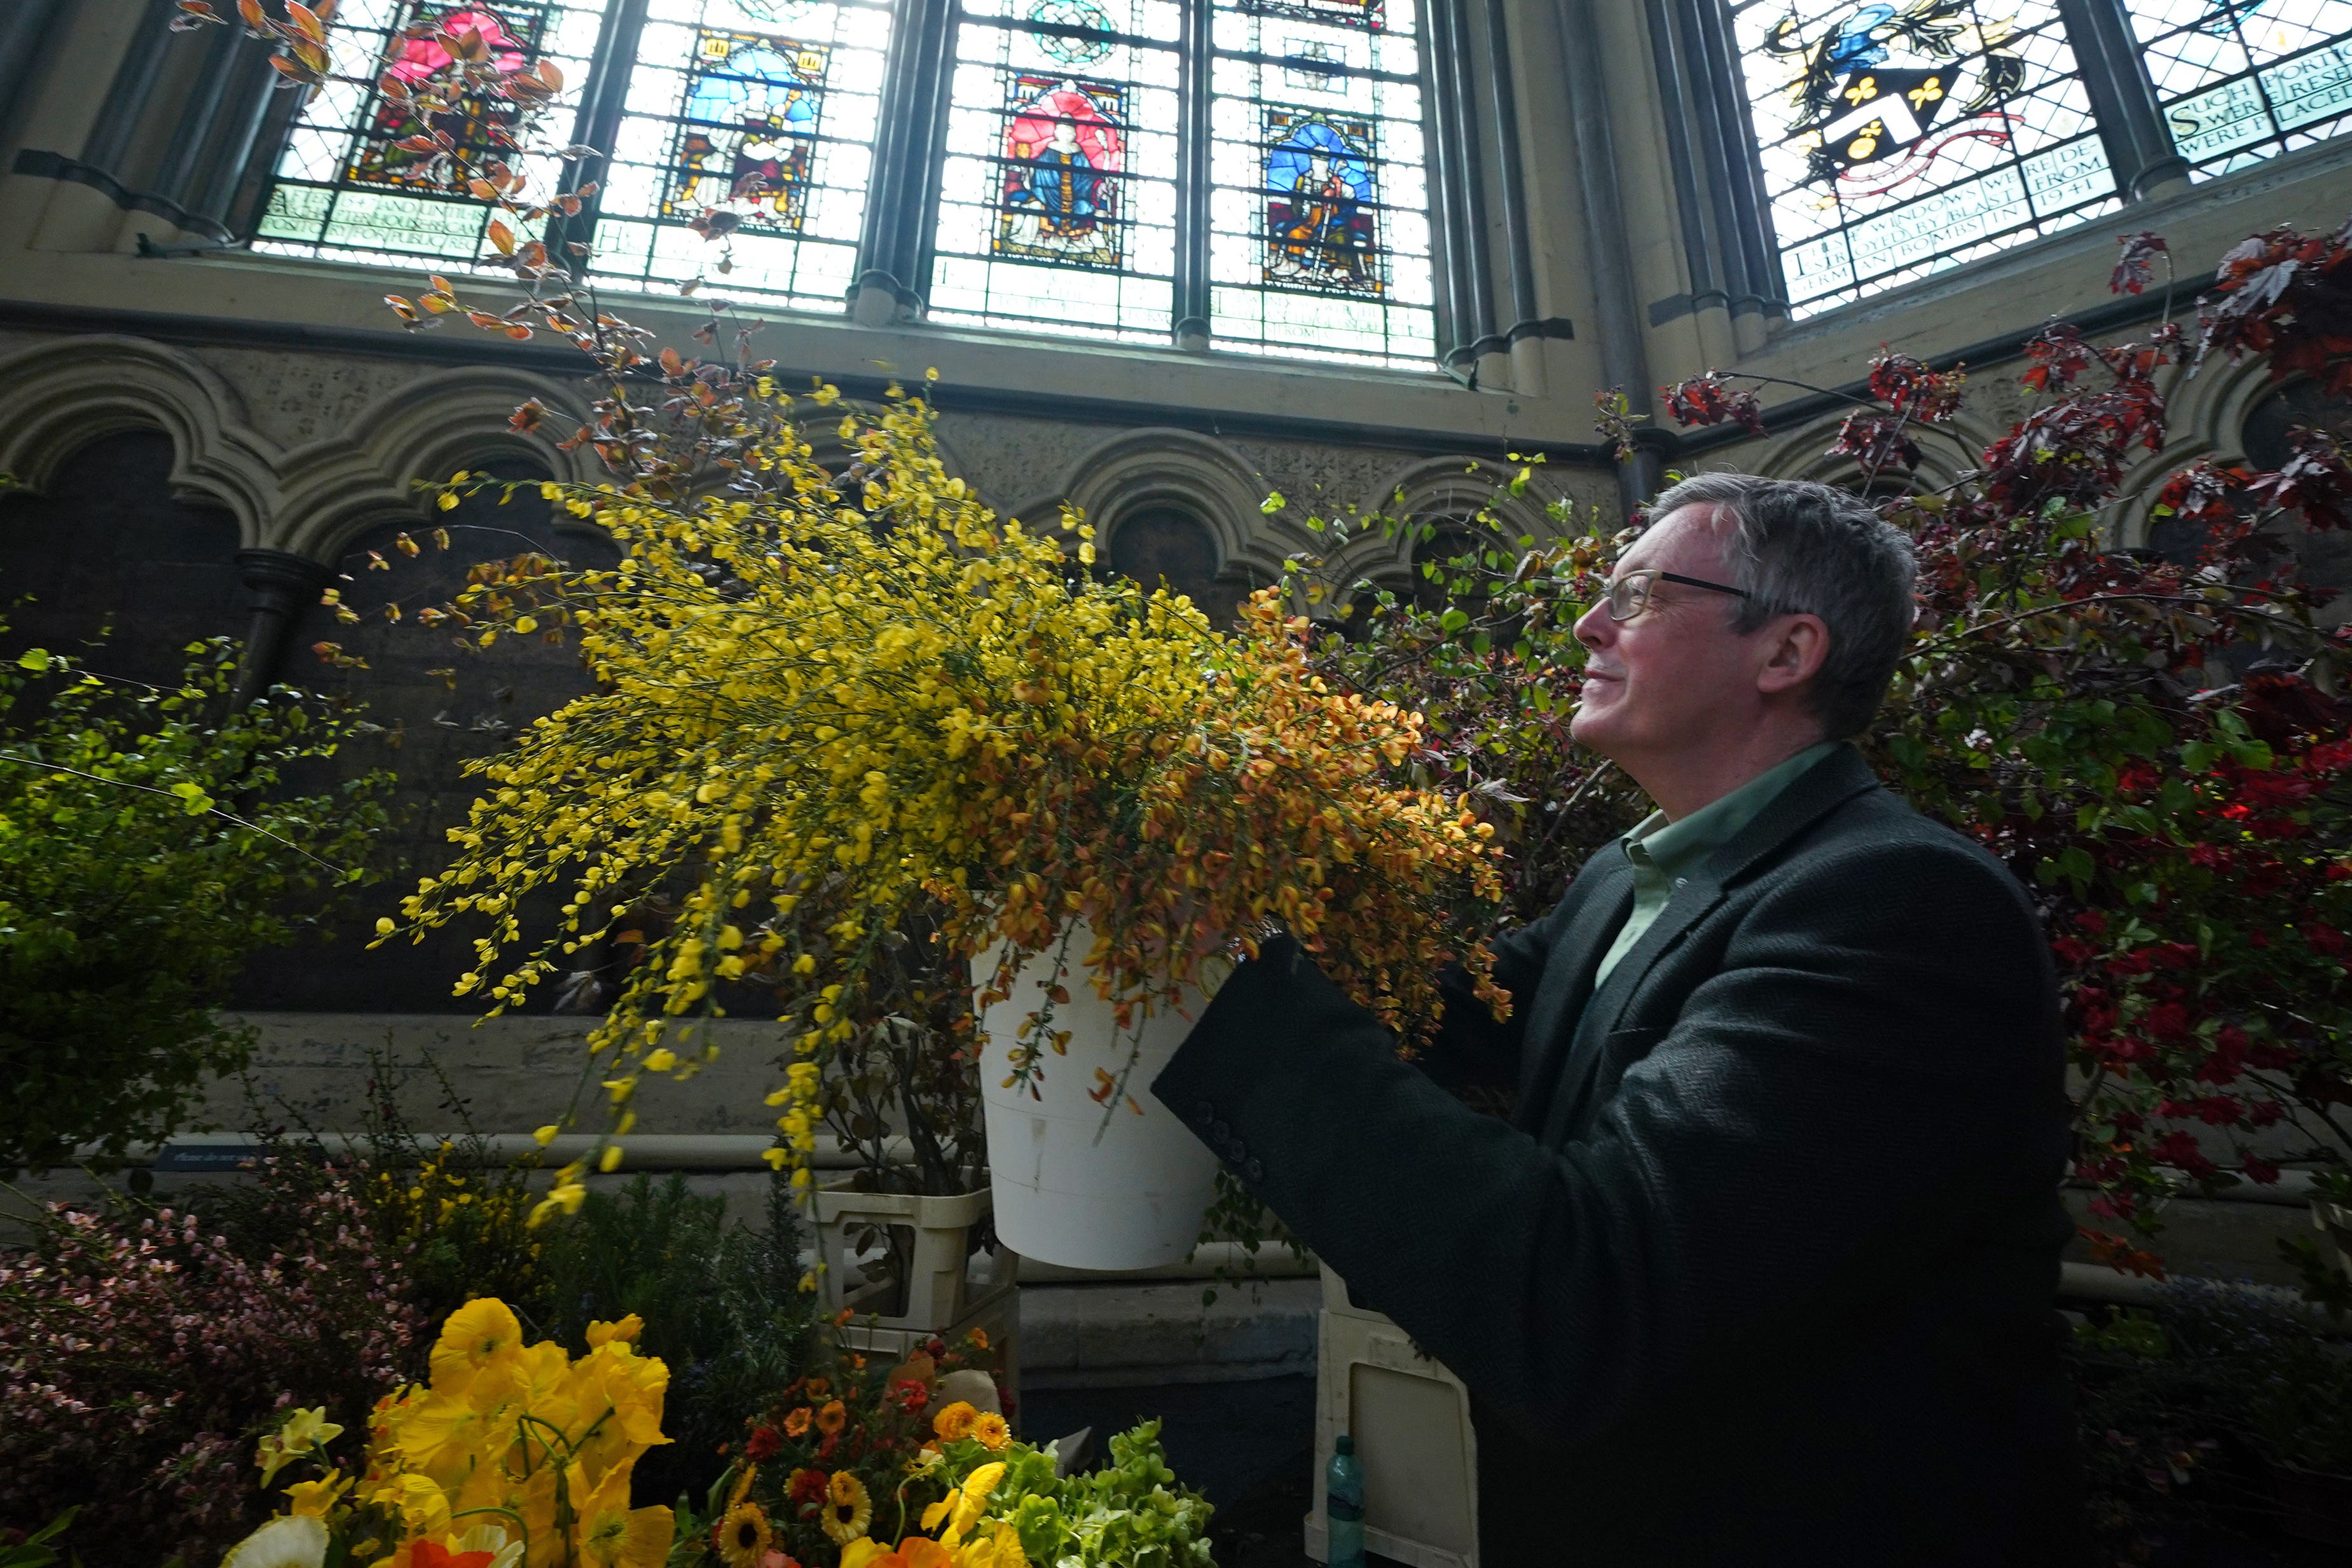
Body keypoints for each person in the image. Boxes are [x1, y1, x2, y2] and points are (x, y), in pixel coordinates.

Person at [1153, 474, 2078, 1565]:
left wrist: (1235, 988)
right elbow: (1456, 1001)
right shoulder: (1629, 876)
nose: (1589, 622)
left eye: (1639, 594)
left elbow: (1589, 1295)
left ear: (1785, 654)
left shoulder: (1899, 905)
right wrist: (1209, 861)